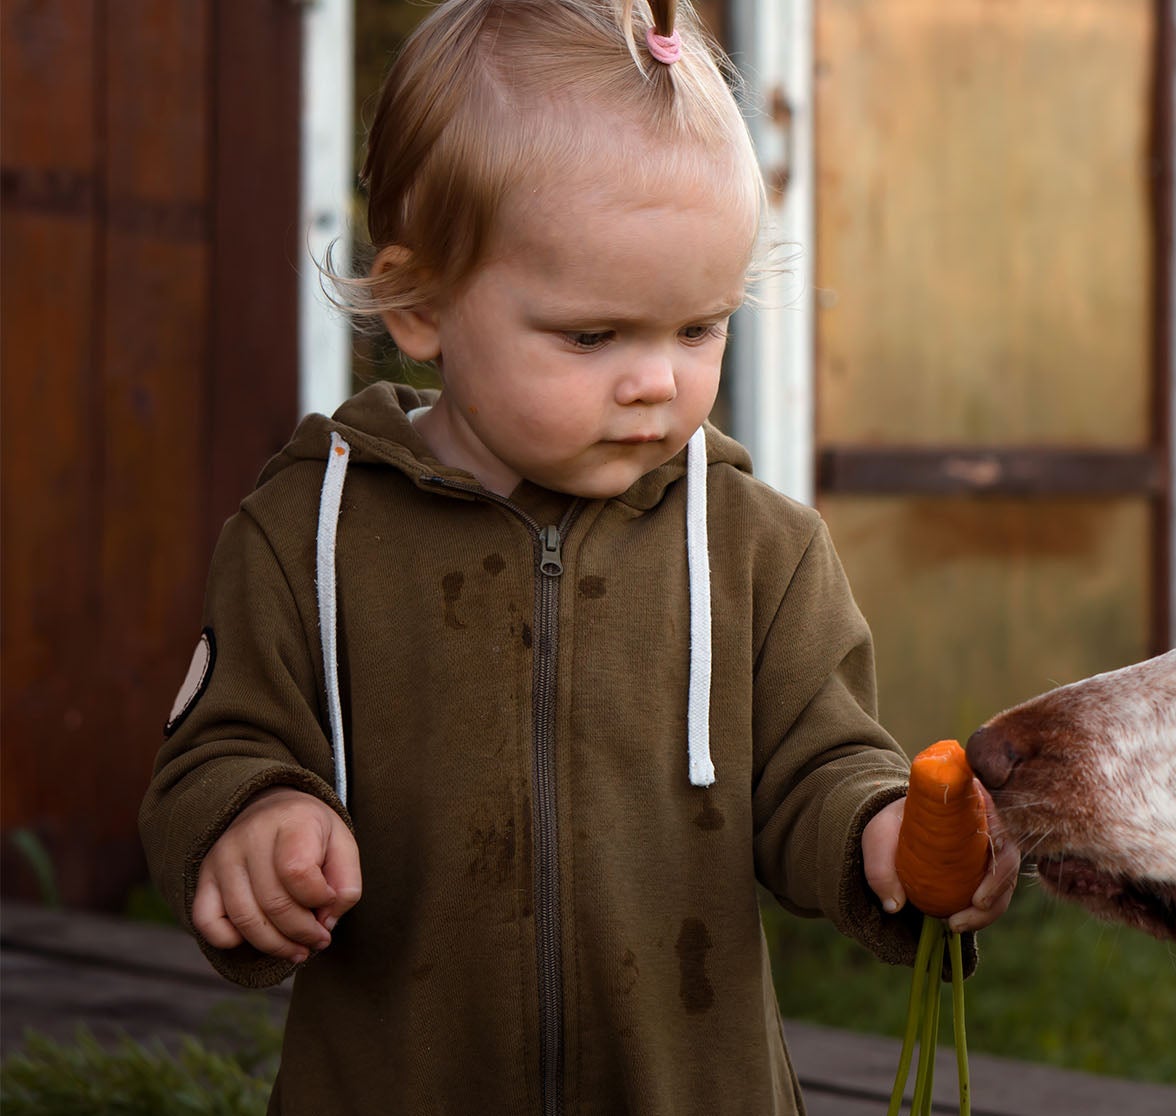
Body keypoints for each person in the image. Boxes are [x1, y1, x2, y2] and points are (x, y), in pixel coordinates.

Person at [138, 2, 1018, 1112]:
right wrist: (250, 818)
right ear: (419, 303)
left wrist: (887, 834)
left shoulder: (759, 549)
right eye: (593, 336)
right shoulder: (306, 535)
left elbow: (818, 765)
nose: (657, 381)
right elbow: (212, 752)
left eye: (700, 327)